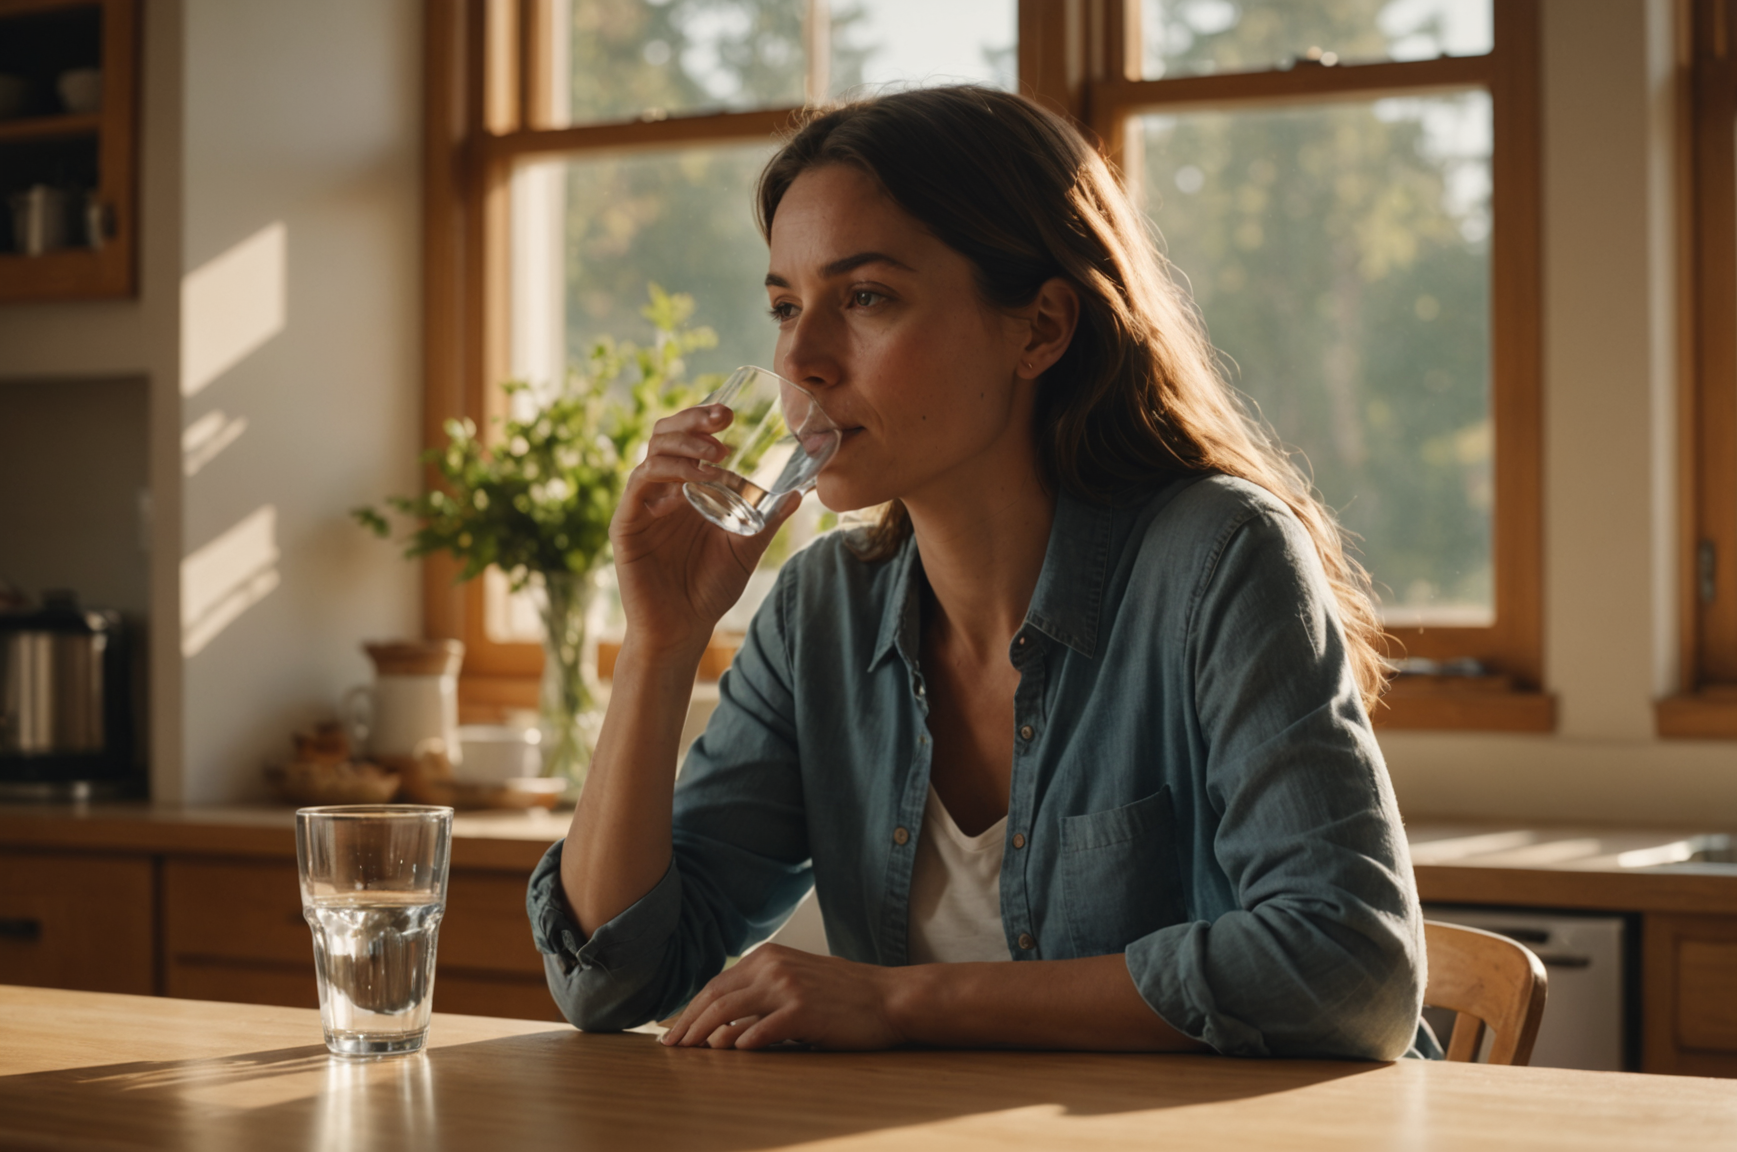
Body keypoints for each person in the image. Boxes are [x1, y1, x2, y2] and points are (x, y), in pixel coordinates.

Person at [527, 84, 1438, 1060]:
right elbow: (612, 979)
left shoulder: (1217, 558)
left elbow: (1350, 966)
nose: (804, 359)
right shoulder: (821, 610)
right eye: (785, 307)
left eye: (866, 297)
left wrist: (900, 1003)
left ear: (1041, 328)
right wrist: (660, 646)